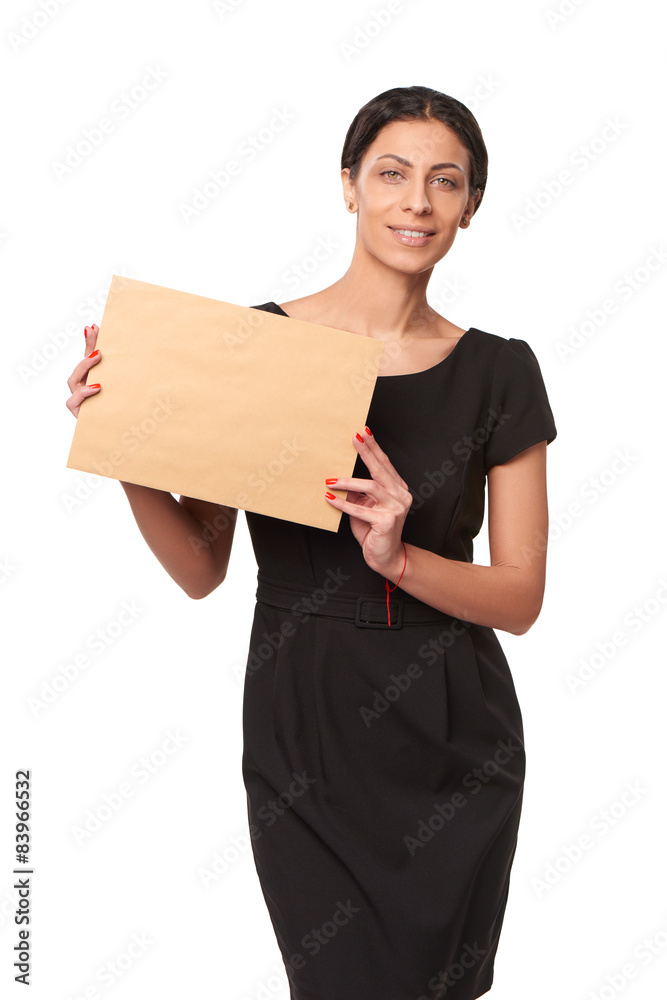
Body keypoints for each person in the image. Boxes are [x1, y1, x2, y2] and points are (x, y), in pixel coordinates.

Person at [66, 85, 557, 1000]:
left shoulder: (500, 368)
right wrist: (122, 444)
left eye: (445, 181)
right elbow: (201, 568)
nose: (417, 201)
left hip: (453, 722)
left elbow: (520, 598)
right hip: (306, 714)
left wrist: (399, 558)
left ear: (470, 206)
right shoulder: (260, 342)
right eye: (392, 174)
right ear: (348, 185)